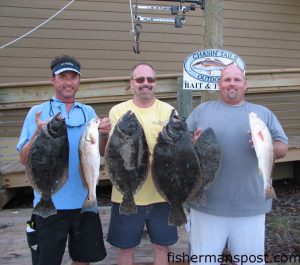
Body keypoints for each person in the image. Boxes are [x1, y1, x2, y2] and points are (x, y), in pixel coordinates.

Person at [186, 64, 288, 265]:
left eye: (237, 79)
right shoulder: (201, 111)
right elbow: (182, 144)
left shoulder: (262, 114)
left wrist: (266, 146)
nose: (232, 84)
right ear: (219, 84)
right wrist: (191, 143)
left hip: (251, 206)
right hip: (205, 205)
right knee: (202, 262)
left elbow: (282, 147)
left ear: (245, 85)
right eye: (227, 79)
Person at [17, 55, 111, 265]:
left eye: (73, 77)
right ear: (53, 80)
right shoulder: (37, 112)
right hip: (48, 203)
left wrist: (104, 134)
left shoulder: (89, 112)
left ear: (79, 81)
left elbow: (101, 152)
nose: (68, 82)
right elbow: (24, 159)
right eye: (63, 77)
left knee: (83, 259)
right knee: (47, 260)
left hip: (85, 202)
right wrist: (38, 134)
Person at [106, 63, 178, 265]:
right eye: (140, 79)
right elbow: (113, 155)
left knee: (162, 246)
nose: (145, 84)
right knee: (126, 247)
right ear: (131, 83)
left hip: (162, 193)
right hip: (125, 194)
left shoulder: (169, 110)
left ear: (156, 83)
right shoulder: (117, 111)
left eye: (150, 79)